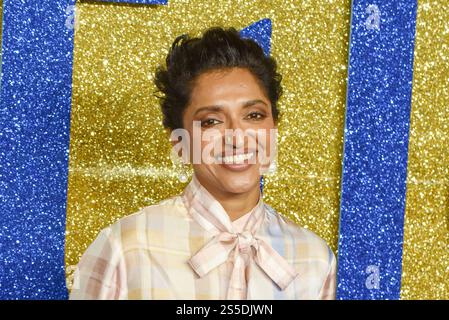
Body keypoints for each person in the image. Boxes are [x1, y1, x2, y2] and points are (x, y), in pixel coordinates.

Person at [69, 26, 336, 300]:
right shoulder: (125, 248)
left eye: (254, 115)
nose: (237, 137)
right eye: (211, 121)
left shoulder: (315, 258)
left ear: (274, 127)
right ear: (179, 141)